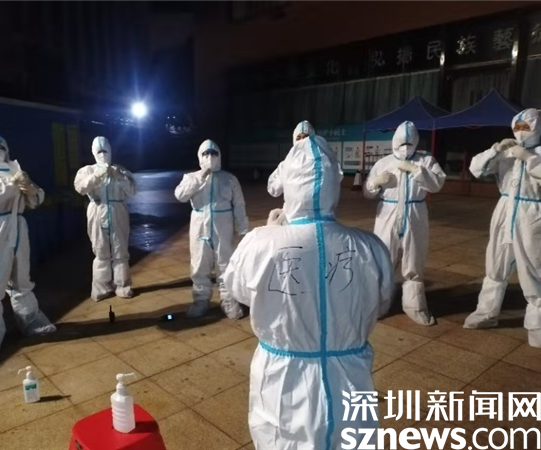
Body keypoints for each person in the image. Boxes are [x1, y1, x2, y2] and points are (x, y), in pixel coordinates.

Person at [223, 133, 394, 450]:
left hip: (284, 380)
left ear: (289, 183)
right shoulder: (370, 246)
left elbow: (239, 290)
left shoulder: (259, 242)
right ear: (334, 183)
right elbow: (381, 303)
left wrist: (272, 235)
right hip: (351, 375)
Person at [0, 130, 56, 359]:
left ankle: (33, 323)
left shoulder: (15, 171)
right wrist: (11, 184)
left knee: (21, 280)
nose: (0, 151)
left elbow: (36, 199)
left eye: (2, 147)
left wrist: (29, 187)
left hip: (18, 226)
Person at [464, 109, 541, 348]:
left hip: (532, 214)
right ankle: (486, 313)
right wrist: (495, 150)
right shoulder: (507, 152)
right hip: (505, 210)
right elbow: (477, 169)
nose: (520, 132)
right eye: (517, 127)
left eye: (526, 127)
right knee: (495, 264)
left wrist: (529, 158)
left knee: (534, 270)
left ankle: (537, 326)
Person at [363, 121, 446, 326]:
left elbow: (437, 184)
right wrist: (375, 183)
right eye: (401, 143)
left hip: (415, 213)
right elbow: (367, 192)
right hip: (387, 214)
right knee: (383, 260)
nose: (405, 147)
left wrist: (417, 171)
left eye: (409, 143)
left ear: (416, 141)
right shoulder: (383, 163)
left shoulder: (426, 160)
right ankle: (379, 305)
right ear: (394, 141)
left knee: (414, 259)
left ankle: (415, 307)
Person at [174, 139, 249, 319]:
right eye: (206, 154)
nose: (210, 157)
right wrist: (201, 176)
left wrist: (244, 229)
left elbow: (239, 205)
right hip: (199, 227)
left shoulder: (229, 179)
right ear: (200, 156)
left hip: (223, 226)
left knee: (225, 263)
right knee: (199, 263)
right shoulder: (191, 178)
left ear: (219, 156)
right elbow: (180, 195)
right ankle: (201, 300)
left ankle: (228, 299)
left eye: (213, 153)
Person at [74, 136, 136, 301]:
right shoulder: (87, 171)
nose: (102, 154)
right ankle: (101, 287)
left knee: (120, 249)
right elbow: (80, 188)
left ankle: (123, 285)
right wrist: (96, 175)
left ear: (110, 150)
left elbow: (132, 191)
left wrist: (120, 177)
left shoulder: (120, 170)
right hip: (97, 209)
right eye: (99, 151)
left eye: (105, 151)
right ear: (94, 152)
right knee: (100, 250)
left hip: (117, 210)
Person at [268, 120, 343, 198]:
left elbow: (274, 189)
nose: (302, 141)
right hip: (319, 205)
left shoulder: (325, 160)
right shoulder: (287, 164)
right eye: (299, 138)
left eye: (305, 137)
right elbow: (273, 189)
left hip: (305, 206)